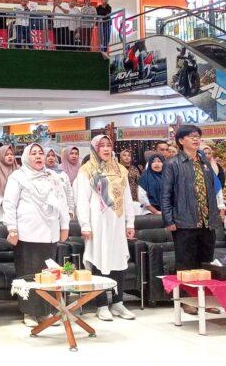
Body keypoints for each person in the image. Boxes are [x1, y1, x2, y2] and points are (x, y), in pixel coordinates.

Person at [4, 143, 70, 327]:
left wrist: (64, 226)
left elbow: (62, 201)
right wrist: (12, 228)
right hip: (27, 233)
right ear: (26, 157)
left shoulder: (52, 177)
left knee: (48, 274)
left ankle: (45, 311)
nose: (38, 156)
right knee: (28, 274)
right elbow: (9, 204)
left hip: (49, 232)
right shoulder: (18, 177)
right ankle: (29, 312)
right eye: (33, 153)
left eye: (40, 153)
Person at [74, 135, 136, 321]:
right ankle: (101, 305)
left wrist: (130, 222)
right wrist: (85, 225)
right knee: (99, 260)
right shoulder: (87, 170)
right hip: (97, 223)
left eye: (109, 145)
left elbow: (127, 198)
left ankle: (118, 303)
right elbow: (82, 201)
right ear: (95, 148)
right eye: (102, 146)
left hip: (117, 222)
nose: (106, 149)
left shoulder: (120, 170)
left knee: (119, 260)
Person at [162, 126, 221, 316]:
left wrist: (215, 215)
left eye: (198, 136)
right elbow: (166, 194)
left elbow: (212, 191)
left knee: (206, 263)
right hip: (184, 220)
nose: (196, 139)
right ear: (181, 141)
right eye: (191, 136)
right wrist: (169, 219)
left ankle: (206, 300)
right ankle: (187, 300)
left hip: (207, 221)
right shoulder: (173, 163)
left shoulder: (204, 162)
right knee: (186, 263)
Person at [44, 143, 76, 217]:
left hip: (62, 211)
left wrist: (71, 209)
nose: (51, 158)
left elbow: (69, 193)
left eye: (53, 155)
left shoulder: (62, 174)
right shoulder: (40, 174)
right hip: (45, 213)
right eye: (48, 156)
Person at [0, 144, 18, 220]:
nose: (10, 156)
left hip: (17, 213)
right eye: (6, 155)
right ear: (0, 156)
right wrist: (1, 202)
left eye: (11, 154)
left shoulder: (19, 171)